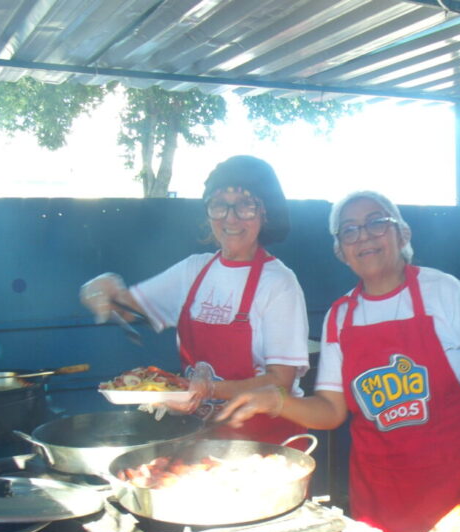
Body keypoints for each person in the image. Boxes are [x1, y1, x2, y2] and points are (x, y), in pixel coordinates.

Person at [218, 191, 460, 532]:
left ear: (403, 234)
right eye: (350, 231)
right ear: (341, 251)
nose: (364, 237)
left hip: (454, 493)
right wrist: (275, 401)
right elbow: (329, 410)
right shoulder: (340, 317)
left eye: (377, 223)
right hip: (380, 502)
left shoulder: (445, 293)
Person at [79, 155, 309, 444]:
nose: (230, 217)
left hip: (269, 443)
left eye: (245, 206)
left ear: (266, 214)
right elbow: (124, 309)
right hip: (203, 439)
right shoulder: (193, 270)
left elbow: (280, 383)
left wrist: (208, 390)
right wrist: (101, 289)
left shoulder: (279, 283)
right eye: (219, 205)